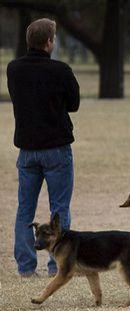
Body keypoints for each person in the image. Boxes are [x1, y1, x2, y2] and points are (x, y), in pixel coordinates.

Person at [7, 18, 80, 277]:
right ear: (49, 42)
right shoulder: (61, 70)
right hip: (57, 147)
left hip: (27, 149)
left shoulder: (13, 69)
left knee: (25, 207)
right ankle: (57, 264)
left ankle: (26, 266)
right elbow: (74, 104)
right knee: (59, 207)